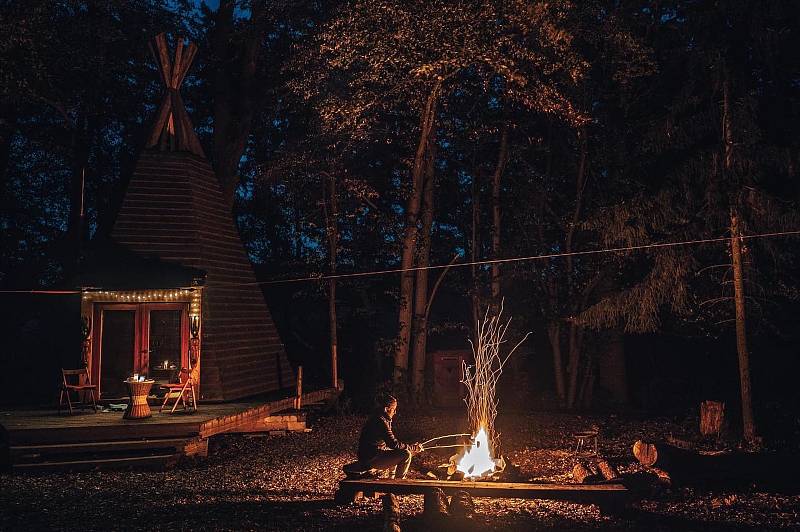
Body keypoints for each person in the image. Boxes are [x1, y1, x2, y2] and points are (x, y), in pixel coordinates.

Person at [357, 394, 423, 479]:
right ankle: (398, 486)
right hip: (371, 459)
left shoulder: (378, 417)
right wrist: (412, 447)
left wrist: (410, 447)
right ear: (386, 409)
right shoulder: (380, 421)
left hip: (367, 455)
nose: (395, 412)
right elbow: (393, 444)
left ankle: (391, 481)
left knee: (397, 452)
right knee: (406, 454)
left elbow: (391, 444)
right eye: (393, 409)